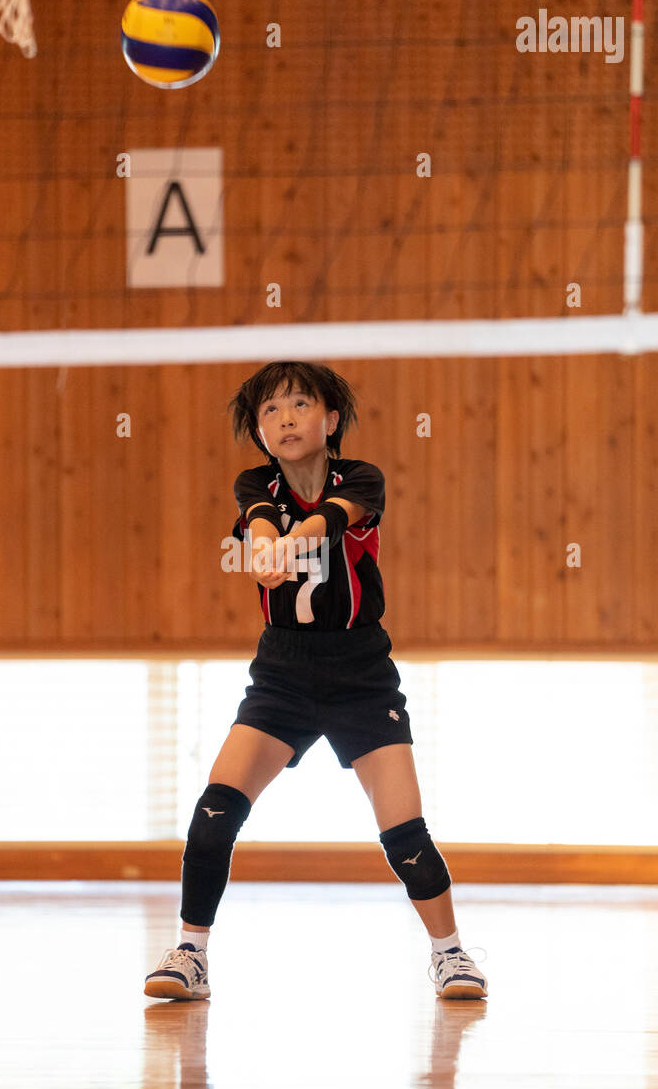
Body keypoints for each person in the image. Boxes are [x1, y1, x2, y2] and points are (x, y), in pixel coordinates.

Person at [145, 361, 488, 1001]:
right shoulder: (257, 483)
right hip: (281, 671)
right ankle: (191, 954)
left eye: (300, 405)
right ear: (258, 431)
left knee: (404, 834)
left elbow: (326, 520)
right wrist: (263, 544)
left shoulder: (361, 478)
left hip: (362, 673)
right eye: (269, 412)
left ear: (330, 420)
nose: (285, 419)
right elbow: (260, 520)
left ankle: (452, 955)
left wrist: (285, 546)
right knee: (215, 811)